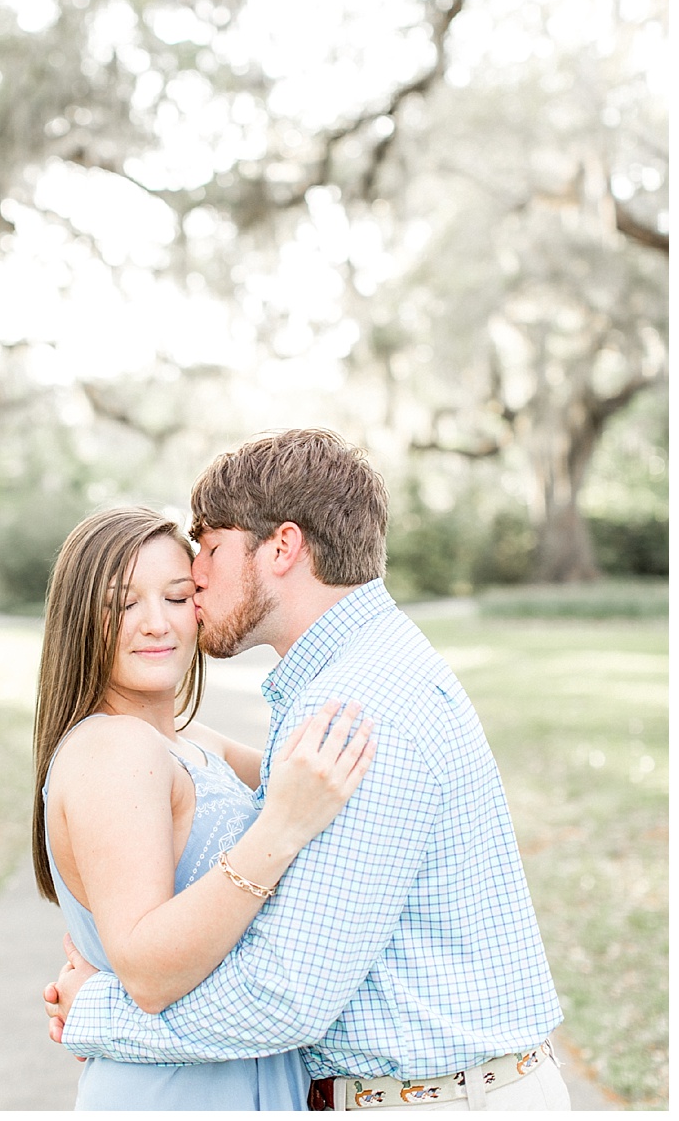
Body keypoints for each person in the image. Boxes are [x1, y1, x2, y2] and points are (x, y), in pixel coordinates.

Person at [45, 430, 569, 1111]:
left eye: (205, 555)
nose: (196, 583)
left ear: (283, 548)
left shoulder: (351, 706)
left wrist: (92, 1011)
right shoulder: (363, 678)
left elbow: (284, 994)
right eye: (125, 602)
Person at [35, 505, 375, 1109]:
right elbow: (146, 969)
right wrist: (279, 830)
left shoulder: (197, 746)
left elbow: (341, 779)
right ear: (81, 617)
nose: (156, 624)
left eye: (176, 595)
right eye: (123, 603)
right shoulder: (113, 749)